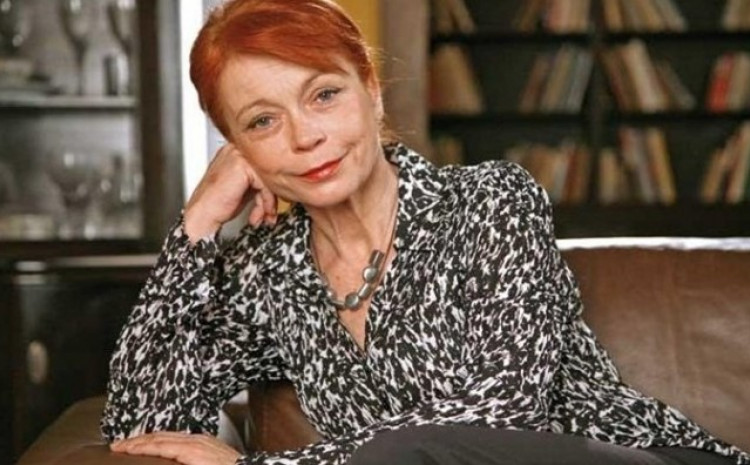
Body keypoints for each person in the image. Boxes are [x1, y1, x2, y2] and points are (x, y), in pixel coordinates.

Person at [102, 1, 749, 465]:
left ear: (372, 91)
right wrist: (197, 225)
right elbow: (140, 423)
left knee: (413, 445)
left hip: (624, 458)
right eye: (262, 122)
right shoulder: (266, 271)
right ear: (237, 147)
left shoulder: (492, 200)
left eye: (324, 95)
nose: (304, 136)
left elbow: (496, 418)